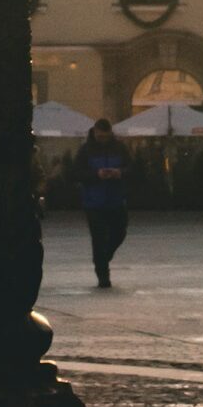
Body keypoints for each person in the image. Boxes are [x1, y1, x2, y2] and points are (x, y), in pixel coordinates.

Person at [75, 119, 130, 288]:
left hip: (116, 199)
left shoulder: (120, 148)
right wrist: (96, 174)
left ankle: (103, 257)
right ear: (95, 132)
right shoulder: (85, 150)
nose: (103, 139)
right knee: (98, 239)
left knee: (120, 231)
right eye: (100, 136)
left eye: (106, 137)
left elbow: (133, 168)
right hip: (93, 202)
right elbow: (75, 173)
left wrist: (120, 173)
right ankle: (103, 275)